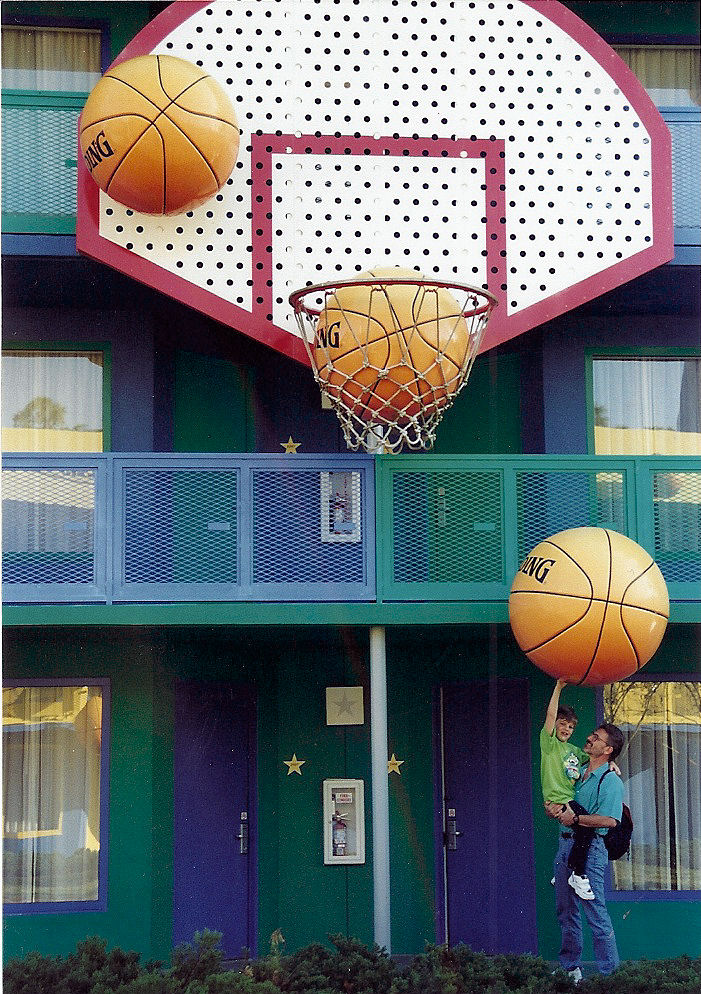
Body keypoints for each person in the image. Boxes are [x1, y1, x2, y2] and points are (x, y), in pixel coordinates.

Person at [550, 720, 625, 982]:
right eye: (592, 735)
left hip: (591, 851)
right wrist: (557, 810)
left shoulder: (611, 781)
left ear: (608, 750)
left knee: (595, 912)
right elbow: (562, 802)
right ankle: (571, 969)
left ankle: (610, 976)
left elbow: (610, 820)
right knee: (565, 910)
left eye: (596, 738)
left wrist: (575, 819)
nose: (590, 739)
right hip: (565, 846)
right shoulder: (577, 770)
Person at [541, 679, 618, 900]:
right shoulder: (549, 745)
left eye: (571, 726)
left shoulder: (574, 751)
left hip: (567, 801)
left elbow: (599, 757)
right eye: (562, 723)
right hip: (558, 799)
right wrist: (557, 688)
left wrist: (612, 762)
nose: (566, 729)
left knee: (580, 830)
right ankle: (577, 873)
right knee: (584, 828)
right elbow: (549, 715)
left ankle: (564, 872)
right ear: (555, 725)